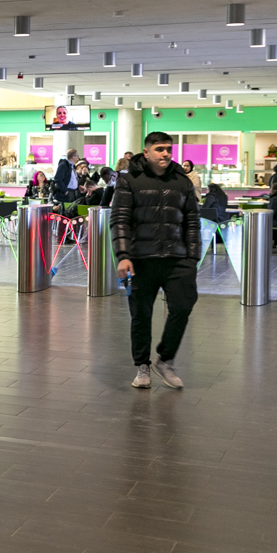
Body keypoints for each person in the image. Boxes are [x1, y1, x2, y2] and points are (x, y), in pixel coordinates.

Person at [112, 131, 200, 390]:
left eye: (168, 149)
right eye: (159, 149)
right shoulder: (129, 180)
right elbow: (120, 220)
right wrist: (123, 256)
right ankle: (142, 366)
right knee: (141, 315)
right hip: (141, 260)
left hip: (178, 259)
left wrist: (192, 257)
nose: (165, 153)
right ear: (146, 151)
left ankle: (165, 360)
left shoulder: (182, 182)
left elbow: (192, 221)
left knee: (183, 307)